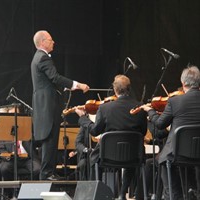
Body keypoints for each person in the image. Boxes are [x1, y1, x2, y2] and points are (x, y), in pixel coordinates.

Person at [75, 74, 148, 199]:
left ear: (115, 89)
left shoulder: (105, 108)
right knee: (131, 154)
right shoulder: (140, 108)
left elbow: (94, 131)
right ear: (129, 89)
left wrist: (83, 118)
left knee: (94, 157)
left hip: (108, 155)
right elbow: (143, 131)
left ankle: (97, 194)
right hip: (133, 155)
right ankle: (122, 193)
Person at [31, 30, 90, 180]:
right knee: (50, 138)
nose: (53, 42)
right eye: (50, 40)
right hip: (47, 106)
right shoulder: (43, 58)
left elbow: (48, 82)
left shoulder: (37, 58)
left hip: (43, 105)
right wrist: (77, 85)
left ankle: (49, 171)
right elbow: (55, 77)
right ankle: (47, 173)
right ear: (43, 42)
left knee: (50, 139)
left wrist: (65, 87)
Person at [140, 65, 200, 200]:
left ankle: (174, 195)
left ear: (183, 83)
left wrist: (150, 111)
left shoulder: (175, 101)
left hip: (178, 153)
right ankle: (192, 191)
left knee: (164, 159)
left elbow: (160, 124)